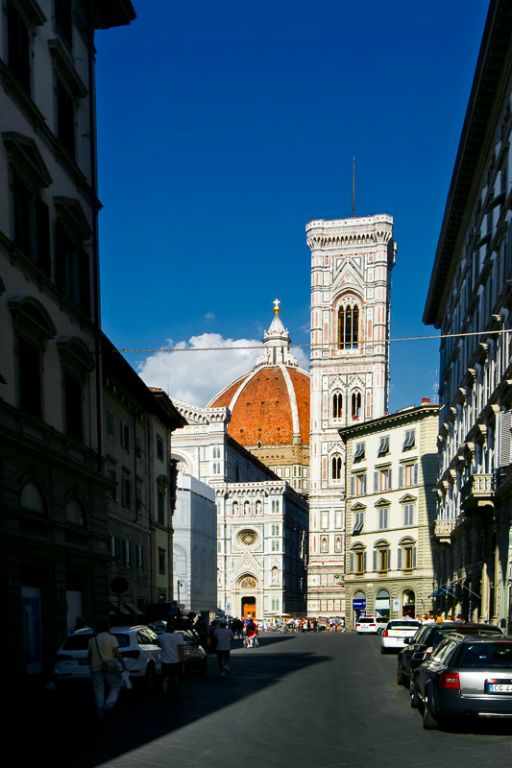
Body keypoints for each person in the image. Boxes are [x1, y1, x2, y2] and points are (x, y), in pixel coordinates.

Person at [88, 619, 126, 717]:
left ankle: (99, 710)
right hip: (110, 667)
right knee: (115, 687)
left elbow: (89, 655)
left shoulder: (92, 640)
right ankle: (108, 706)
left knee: (98, 689)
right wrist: (123, 665)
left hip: (95, 667)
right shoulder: (112, 638)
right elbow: (117, 653)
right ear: (108, 628)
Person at [157, 621, 185, 698]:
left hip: (165, 661)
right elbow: (181, 650)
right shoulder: (179, 637)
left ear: (166, 628)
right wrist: (183, 662)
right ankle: (175, 692)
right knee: (176, 677)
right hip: (176, 661)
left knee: (165, 678)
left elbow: (158, 644)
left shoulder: (161, 637)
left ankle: (164, 693)